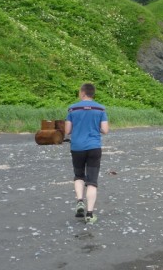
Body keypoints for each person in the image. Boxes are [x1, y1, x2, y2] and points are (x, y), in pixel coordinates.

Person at [64, 83, 109, 224]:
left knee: (78, 175)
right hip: (94, 146)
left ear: (82, 93)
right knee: (92, 181)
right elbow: (105, 130)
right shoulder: (100, 108)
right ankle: (89, 214)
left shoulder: (72, 109)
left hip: (77, 147)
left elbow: (67, 131)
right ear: (92, 93)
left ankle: (79, 201)